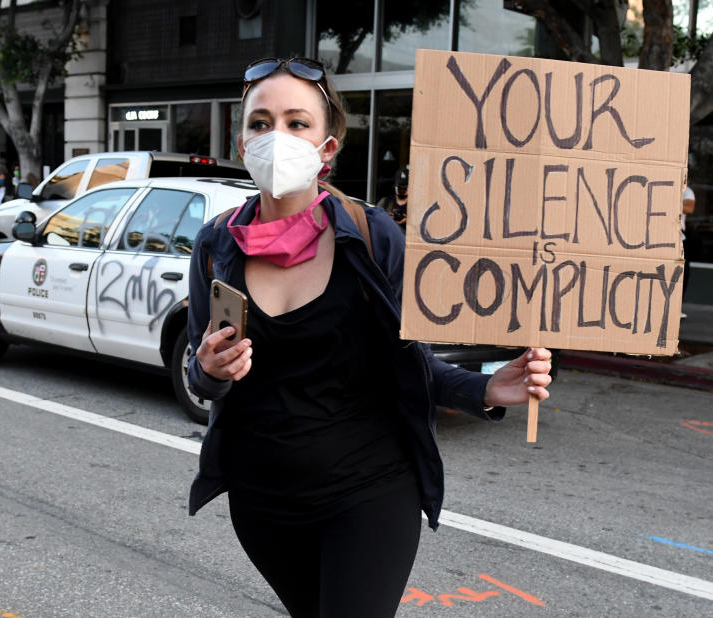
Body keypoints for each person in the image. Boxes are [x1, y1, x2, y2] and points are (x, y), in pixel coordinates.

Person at [186, 57, 553, 618]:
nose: (276, 137)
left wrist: (487, 389)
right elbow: (201, 373)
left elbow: (410, 363)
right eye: (260, 123)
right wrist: (209, 371)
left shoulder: (371, 233)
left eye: (297, 122)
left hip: (369, 490)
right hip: (262, 503)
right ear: (241, 143)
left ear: (327, 148)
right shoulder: (216, 244)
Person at [377, 167, 408, 233]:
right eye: (400, 188)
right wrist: (386, 218)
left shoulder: (416, 206)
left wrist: (409, 221)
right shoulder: (385, 202)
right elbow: (374, 219)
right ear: (395, 186)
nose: (402, 190)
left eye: (405, 188)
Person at [681, 185, 696, 319]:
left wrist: (664, 203)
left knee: (683, 273)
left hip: (678, 237)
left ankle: (677, 306)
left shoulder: (686, 190)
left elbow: (689, 208)